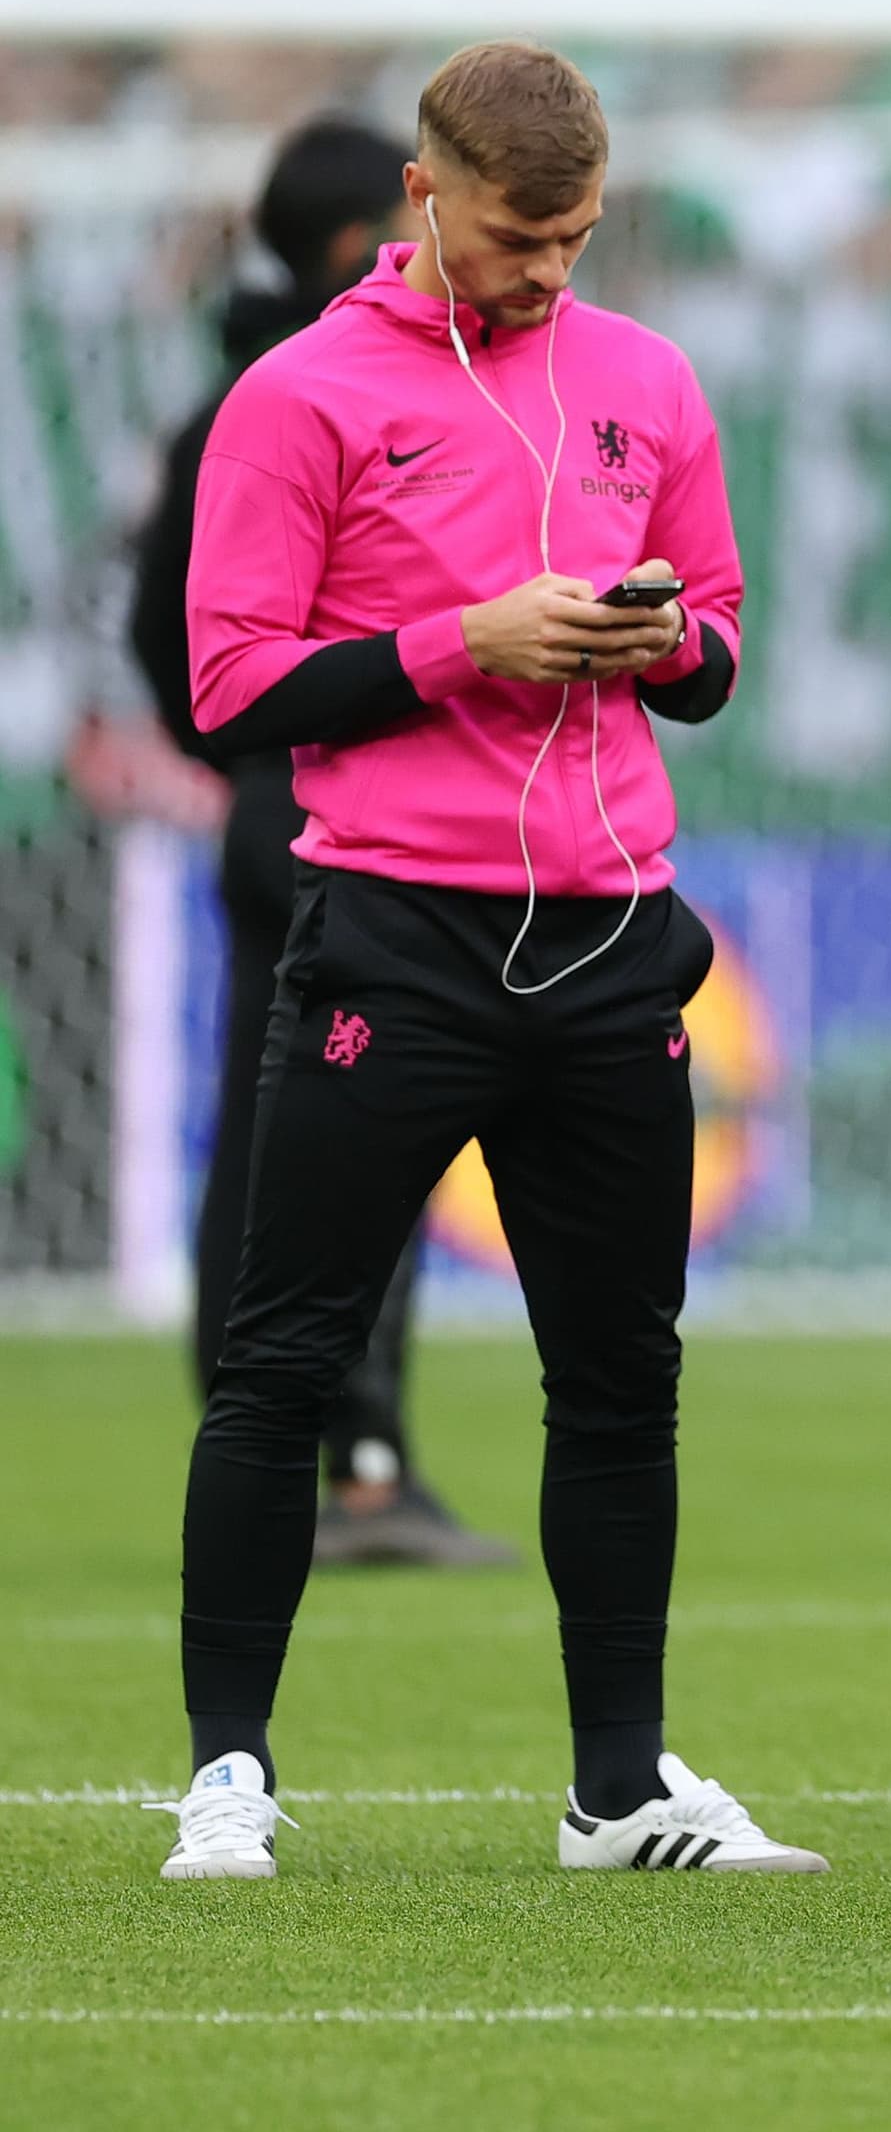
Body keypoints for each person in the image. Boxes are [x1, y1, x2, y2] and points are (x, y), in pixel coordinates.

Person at [152, 42, 815, 1885]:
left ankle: (619, 1789)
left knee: (621, 1376)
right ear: (425, 200)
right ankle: (227, 1774)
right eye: (523, 237)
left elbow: (723, 641)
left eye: (579, 238)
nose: (550, 272)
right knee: (282, 1365)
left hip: (612, 940)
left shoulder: (646, 378)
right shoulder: (297, 399)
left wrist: (661, 645)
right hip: (397, 937)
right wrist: (468, 641)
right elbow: (230, 689)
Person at [129, 116, 511, 1573]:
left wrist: (238, 760)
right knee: (385, 1130)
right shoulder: (365, 398)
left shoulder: (221, 406)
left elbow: (163, 640)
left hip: (264, 805)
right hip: (359, 811)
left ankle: (265, 1443)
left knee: (272, 1127)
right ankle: (356, 1464)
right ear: (369, 240)